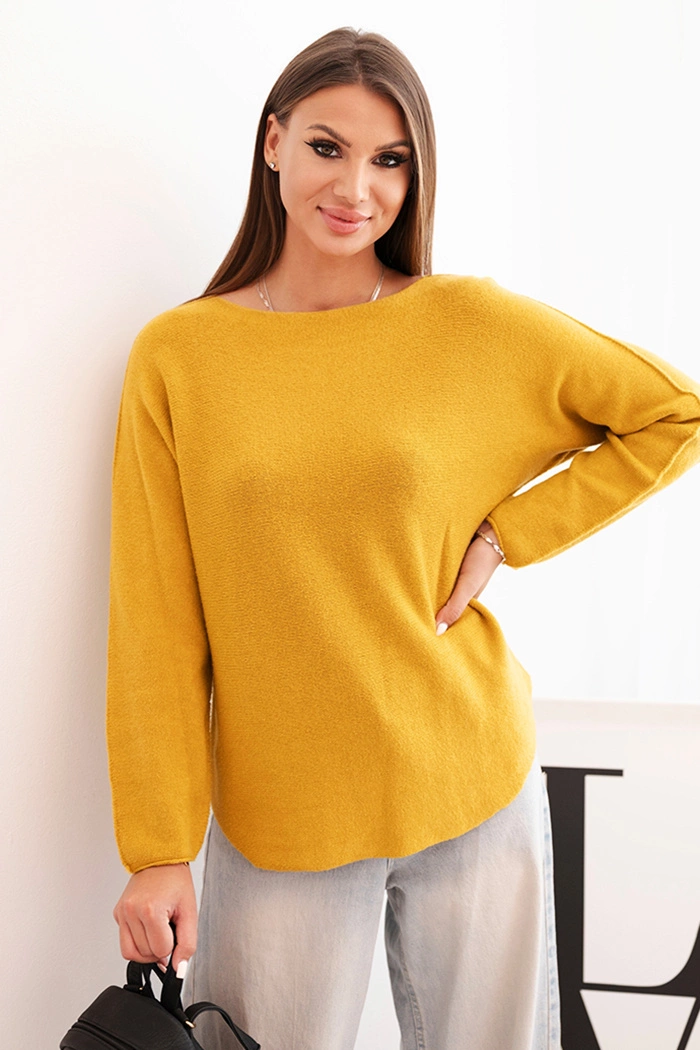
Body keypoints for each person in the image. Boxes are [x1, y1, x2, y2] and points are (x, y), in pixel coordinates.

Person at [107, 26, 700, 1050]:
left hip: (470, 783)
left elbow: (672, 412)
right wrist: (158, 846)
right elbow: (155, 614)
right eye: (327, 148)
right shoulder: (181, 356)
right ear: (272, 142)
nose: (357, 188)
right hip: (283, 818)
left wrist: (508, 533)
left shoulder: (466, 323)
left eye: (390, 160)